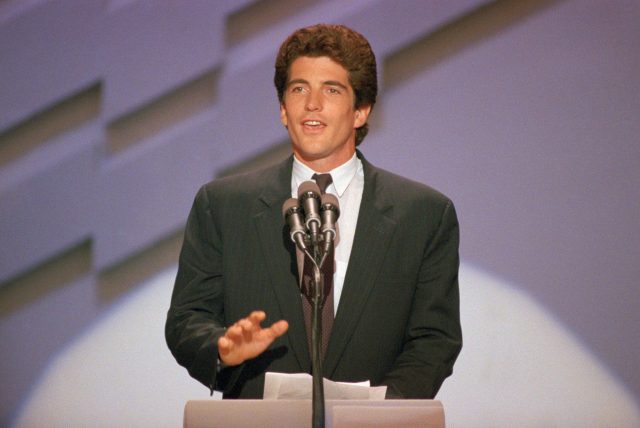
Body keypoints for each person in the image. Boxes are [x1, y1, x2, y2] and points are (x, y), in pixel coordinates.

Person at [165, 23, 462, 399]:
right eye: (299, 88)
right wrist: (223, 348)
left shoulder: (423, 215)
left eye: (332, 90)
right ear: (283, 110)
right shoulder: (223, 206)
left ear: (361, 111)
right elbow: (186, 320)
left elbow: (435, 340)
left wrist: (382, 411)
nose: (312, 104)